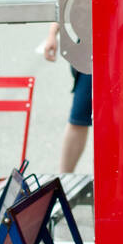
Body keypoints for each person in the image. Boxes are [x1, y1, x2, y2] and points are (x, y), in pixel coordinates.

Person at [43, 23, 92, 172]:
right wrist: (53, 33)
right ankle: (65, 178)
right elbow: (66, 1)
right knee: (78, 116)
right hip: (90, 44)